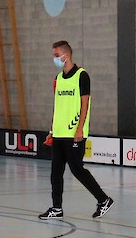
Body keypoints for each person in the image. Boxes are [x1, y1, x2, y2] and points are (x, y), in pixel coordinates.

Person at [39, 40, 114, 221]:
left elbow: (85, 104)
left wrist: (80, 128)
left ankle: (103, 199)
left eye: (57, 55)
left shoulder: (82, 75)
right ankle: (56, 208)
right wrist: (52, 129)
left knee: (77, 169)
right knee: (55, 172)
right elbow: (58, 106)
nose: (55, 59)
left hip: (74, 133)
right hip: (59, 133)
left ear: (66, 55)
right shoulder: (58, 78)